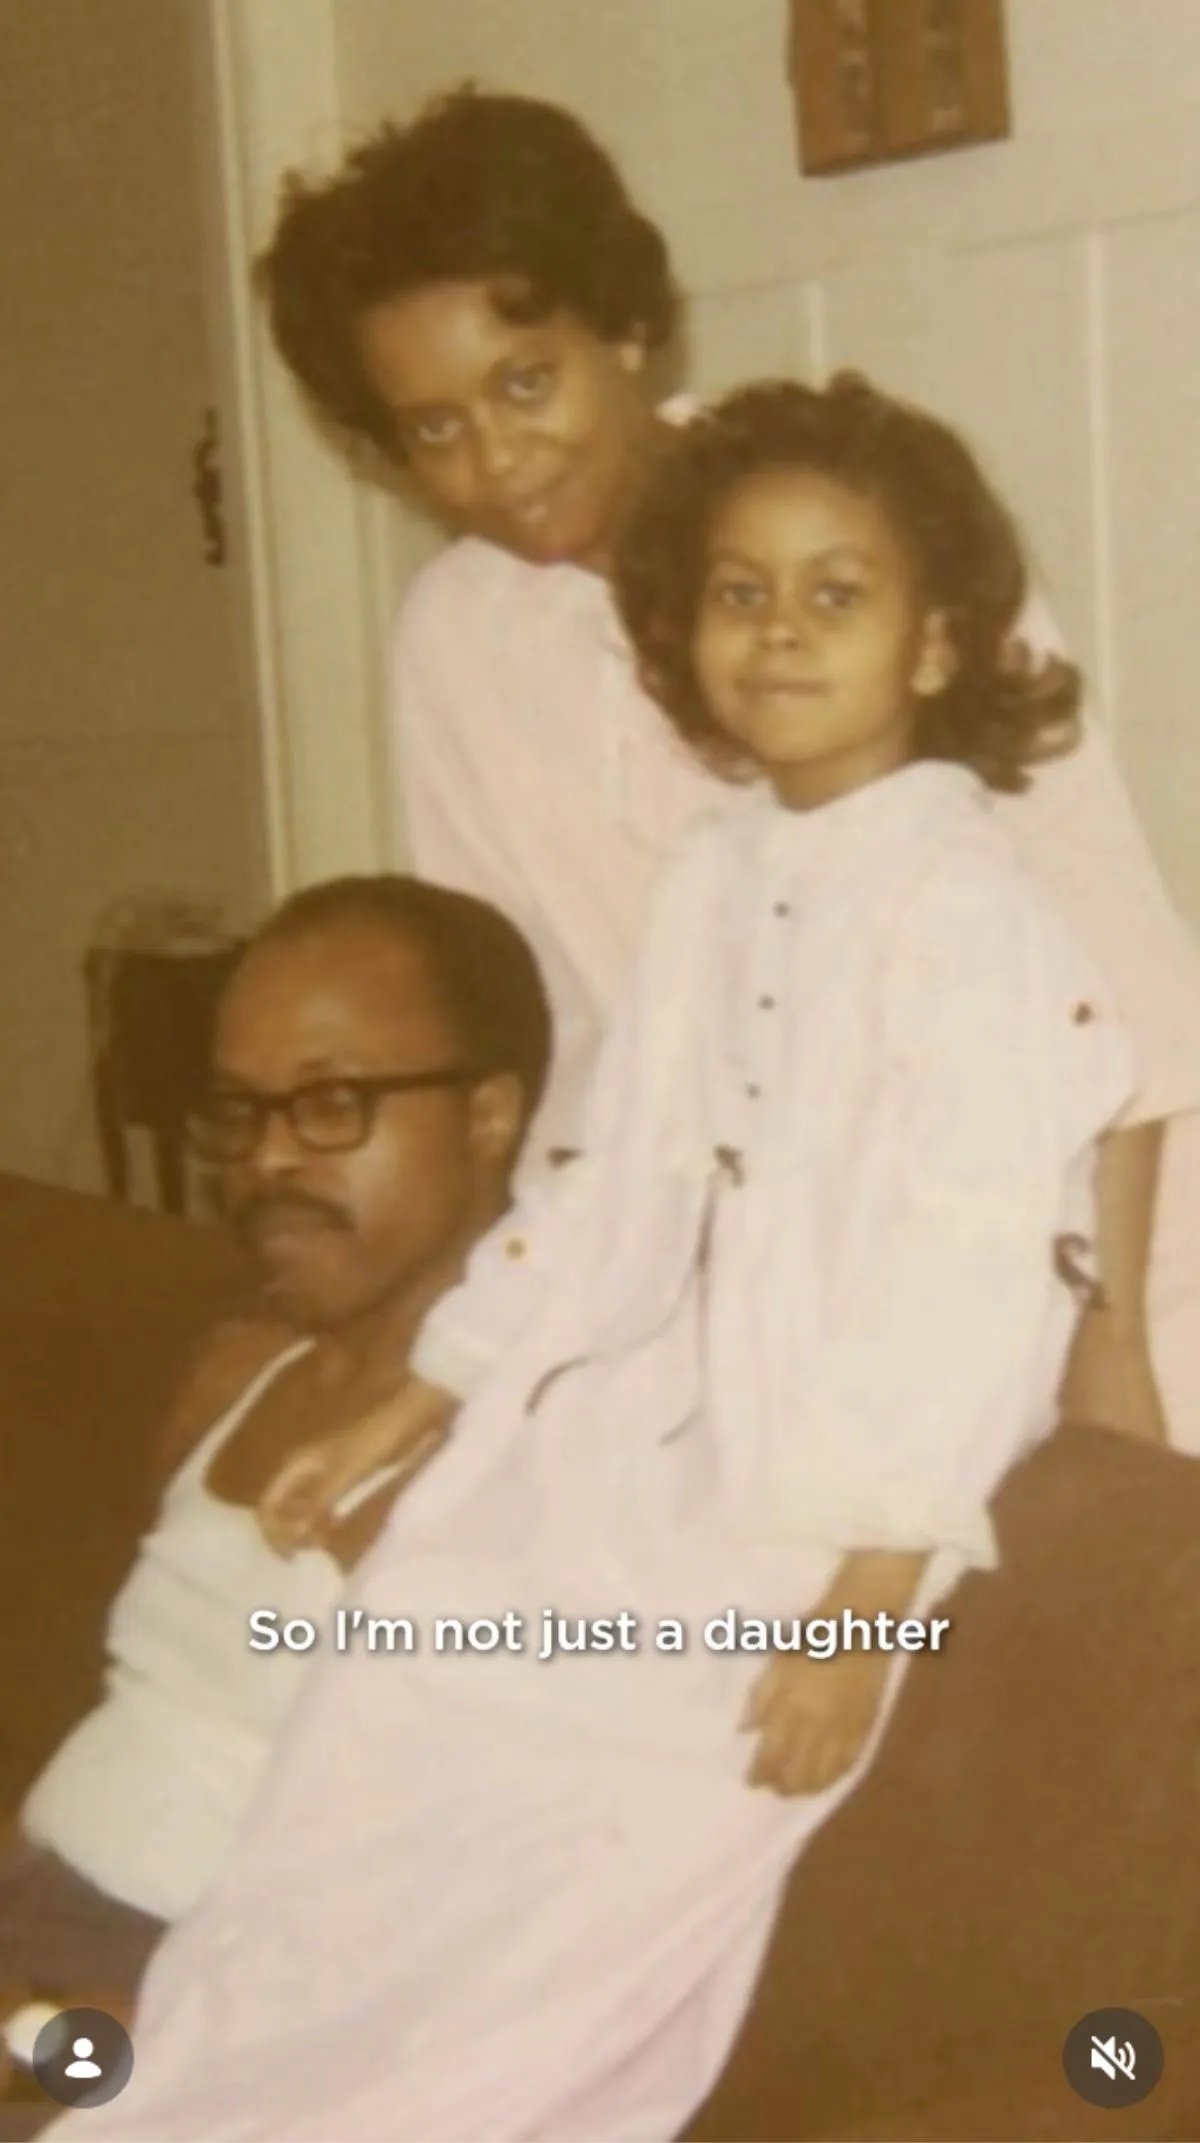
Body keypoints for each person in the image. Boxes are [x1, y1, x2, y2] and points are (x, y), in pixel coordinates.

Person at [49, 374, 1135, 2142]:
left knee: (580, 1841)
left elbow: (965, 1276)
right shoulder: (721, 872)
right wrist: (417, 1397)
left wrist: (860, 1611)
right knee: (395, 1673)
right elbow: (620, 1182)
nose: (779, 631)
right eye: (738, 590)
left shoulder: (972, 916)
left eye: (835, 593)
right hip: (652, 1418)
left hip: (841, 1488)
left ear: (938, 646)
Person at [257, 85, 1200, 1450]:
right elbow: (538, 1044)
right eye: (432, 427)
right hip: (735, 1281)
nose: (496, 460)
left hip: (1077, 1236)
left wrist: (1110, 1339)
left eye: (527, 383)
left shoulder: (855, 538)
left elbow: (1112, 977)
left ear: (626, 328)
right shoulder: (458, 638)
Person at [0, 876, 548, 2065]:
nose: (266, 1160)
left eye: (333, 1103)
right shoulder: (235, 1372)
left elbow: (444, 1936)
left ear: (491, 1114)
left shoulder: (524, 1455)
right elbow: (139, 1718)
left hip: (189, 2021)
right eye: (240, 1112)